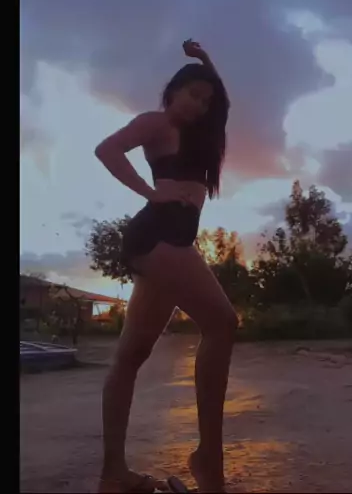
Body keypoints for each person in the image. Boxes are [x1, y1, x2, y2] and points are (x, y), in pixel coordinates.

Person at [95, 40, 237, 494]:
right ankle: (208, 461)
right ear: (172, 91)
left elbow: (223, 103)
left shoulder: (202, 138)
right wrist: (150, 192)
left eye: (205, 100)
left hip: (170, 243)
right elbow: (108, 149)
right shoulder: (155, 124)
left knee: (130, 357)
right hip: (158, 236)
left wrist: (207, 62)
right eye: (193, 93)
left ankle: (114, 474)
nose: (199, 104)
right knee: (222, 324)